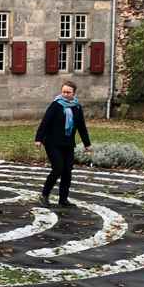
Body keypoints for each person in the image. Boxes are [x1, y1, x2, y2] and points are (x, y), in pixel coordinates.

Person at [35, 80, 92, 208]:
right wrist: (38, 139)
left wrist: (87, 144)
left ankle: (63, 199)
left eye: (68, 92)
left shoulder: (77, 107)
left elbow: (82, 127)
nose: (65, 94)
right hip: (52, 142)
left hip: (68, 143)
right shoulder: (56, 105)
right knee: (58, 168)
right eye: (63, 92)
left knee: (67, 171)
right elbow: (45, 122)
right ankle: (44, 195)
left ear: (74, 93)